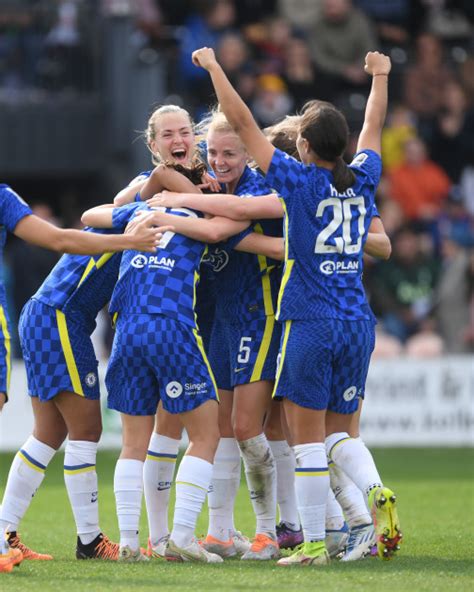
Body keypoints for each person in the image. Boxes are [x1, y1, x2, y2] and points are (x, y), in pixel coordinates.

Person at [191, 45, 402, 566]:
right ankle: (374, 492)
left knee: (305, 442)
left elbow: (240, 120)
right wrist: (381, 76)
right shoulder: (365, 177)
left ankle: (309, 544)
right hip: (358, 321)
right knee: (340, 433)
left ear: (304, 146)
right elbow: (374, 123)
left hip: (310, 321)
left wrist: (216, 68)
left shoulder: (298, 180)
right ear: (345, 146)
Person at [80, 187, 259, 562]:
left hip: (126, 329)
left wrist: (139, 205)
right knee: (208, 433)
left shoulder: (140, 211)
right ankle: (181, 536)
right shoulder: (201, 217)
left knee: (132, 444)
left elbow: (90, 215)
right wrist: (185, 203)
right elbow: (230, 224)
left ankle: (129, 543)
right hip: (170, 326)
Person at [0, 183, 165, 571]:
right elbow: (63, 235)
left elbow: (101, 211)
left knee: (48, 433)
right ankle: (90, 540)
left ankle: (6, 531)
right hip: (61, 317)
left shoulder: (123, 214)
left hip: (43, 313)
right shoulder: (137, 221)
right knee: (87, 431)